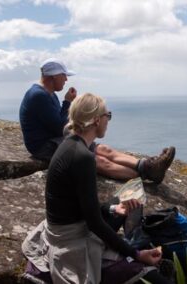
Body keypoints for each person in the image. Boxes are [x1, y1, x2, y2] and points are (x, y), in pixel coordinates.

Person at [22, 93, 173, 284]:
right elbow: (94, 224)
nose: (108, 120)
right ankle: (138, 251)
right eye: (107, 115)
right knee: (156, 279)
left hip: (63, 226)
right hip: (71, 240)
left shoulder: (70, 144)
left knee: (122, 203)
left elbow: (81, 203)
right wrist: (136, 254)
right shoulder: (82, 157)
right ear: (95, 120)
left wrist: (113, 209)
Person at [19, 58, 175, 184]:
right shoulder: (38, 95)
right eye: (63, 75)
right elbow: (59, 126)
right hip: (43, 146)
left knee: (104, 149)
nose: (66, 79)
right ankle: (146, 175)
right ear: (53, 76)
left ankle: (147, 165)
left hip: (56, 139)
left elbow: (57, 122)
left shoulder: (48, 93)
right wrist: (67, 103)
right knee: (97, 161)